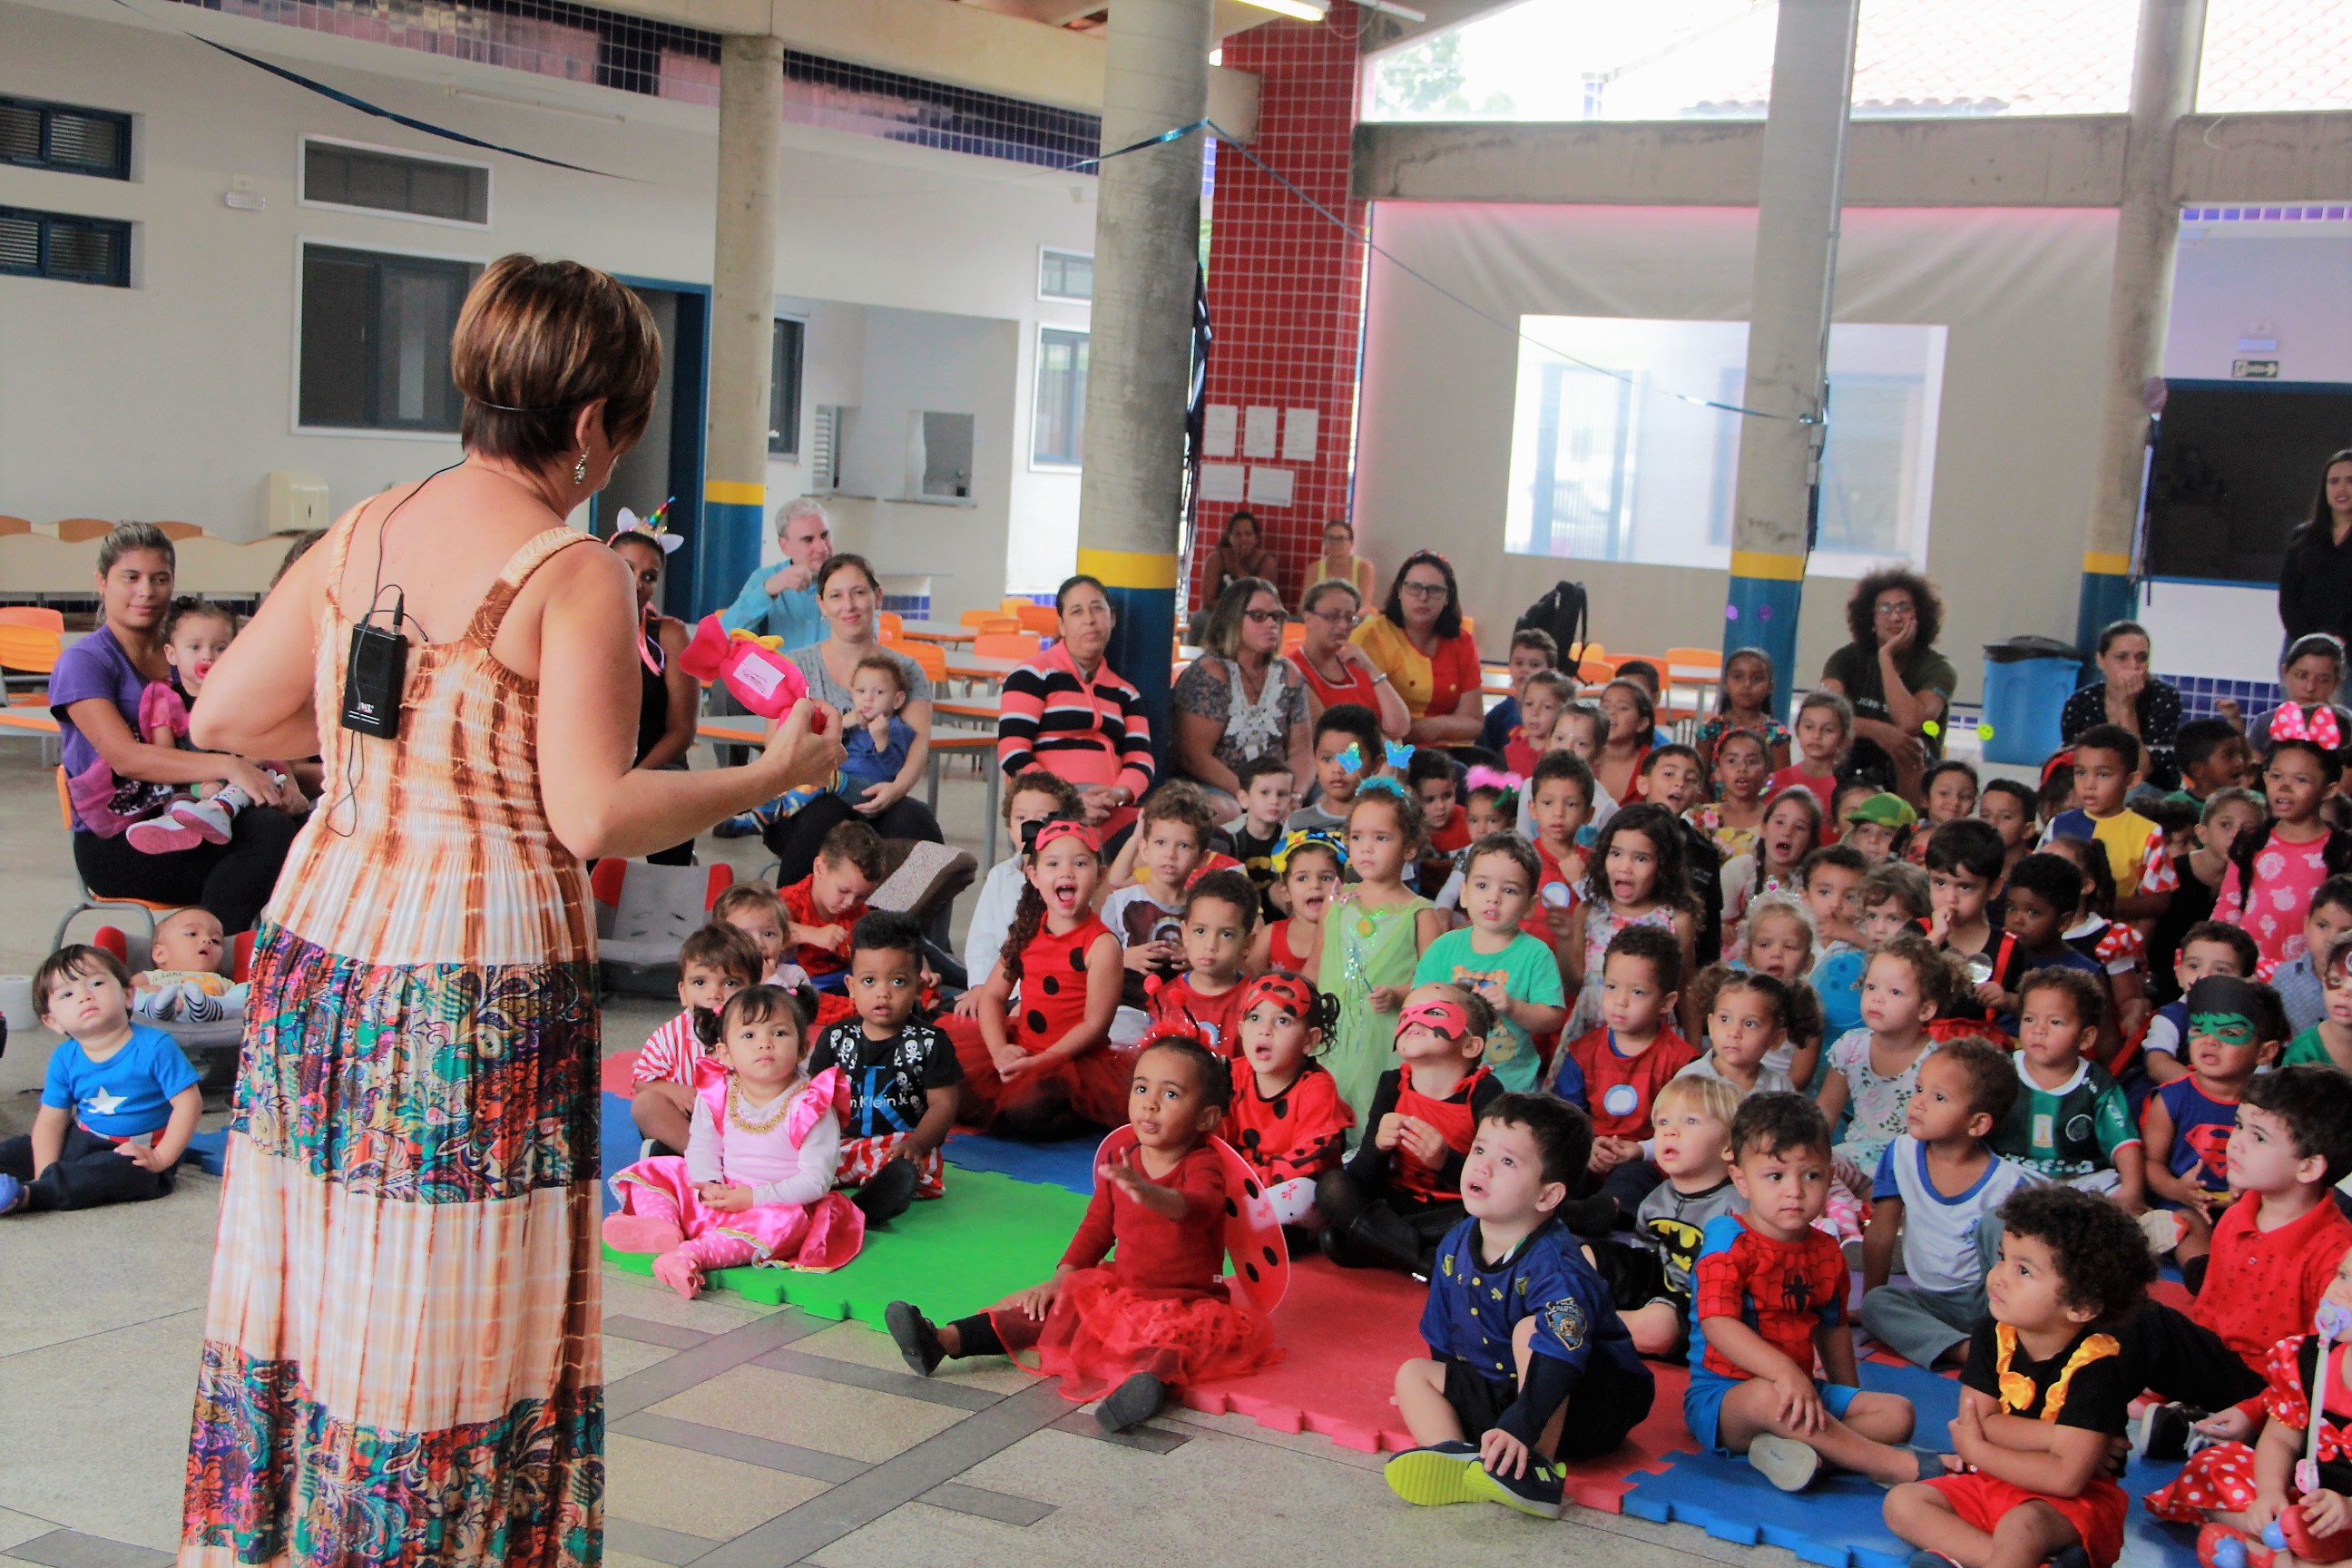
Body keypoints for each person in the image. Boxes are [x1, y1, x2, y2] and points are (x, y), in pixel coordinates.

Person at [179, 254, 848, 1565]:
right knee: (451, 1307)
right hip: (468, 968)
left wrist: (402, 747)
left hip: (327, 941)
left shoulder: (366, 523)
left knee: (315, 1265)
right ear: (594, 423)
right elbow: (592, 813)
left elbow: (223, 716)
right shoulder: (571, 571)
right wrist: (772, 773)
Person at [885, 1033, 1281, 1433]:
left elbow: (1197, 1208)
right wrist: (1063, 1277)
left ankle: (1141, 1394)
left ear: (1206, 1118)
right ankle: (945, 1339)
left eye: (1172, 1094)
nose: (1150, 1103)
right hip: (1122, 1291)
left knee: (1168, 1350)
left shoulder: (1203, 1163)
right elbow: (1097, 1227)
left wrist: (1148, 1192)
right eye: (1141, 1088)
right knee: (1042, 1313)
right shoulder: (1121, 1155)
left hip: (1186, 1306)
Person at [1384, 1094, 1657, 1521]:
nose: (1481, 1166)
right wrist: (1454, 1397)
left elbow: (1563, 1359)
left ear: (1548, 1195)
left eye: (1508, 1162)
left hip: (1590, 1396)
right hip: (1507, 1389)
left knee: (1535, 1332)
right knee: (1412, 1374)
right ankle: (1454, 1456)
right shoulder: (1456, 1243)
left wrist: (1521, 1425)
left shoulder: (1558, 1264)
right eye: (1478, 1149)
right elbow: (1443, 1336)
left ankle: (1534, 1468)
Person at [1880, 1186, 2155, 1568]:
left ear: (2080, 1306)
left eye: (2023, 1270)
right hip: (1991, 1481)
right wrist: (2060, 1437)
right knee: (1903, 1503)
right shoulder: (1991, 1334)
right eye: (2002, 1259)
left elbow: (2065, 1479)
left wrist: (1979, 1449)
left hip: (2065, 1506)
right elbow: (1975, 1418)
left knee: (2021, 1527)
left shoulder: (2097, 1368)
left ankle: (1974, 1559)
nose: (1998, 1278)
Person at [52, 524, 299, 933]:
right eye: (130, 578)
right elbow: (127, 758)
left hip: (201, 811)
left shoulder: (186, 657)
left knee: (309, 826)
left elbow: (240, 735)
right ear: (101, 582)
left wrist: (289, 778)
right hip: (123, 840)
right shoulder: (85, 663)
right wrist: (232, 768)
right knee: (269, 835)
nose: (146, 591)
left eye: (159, 578)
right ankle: (204, 967)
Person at [1687, 1093, 1927, 1492]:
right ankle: (1884, 1463)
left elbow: (1832, 1330)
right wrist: (1783, 1373)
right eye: (1775, 1176)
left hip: (1802, 1389)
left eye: (1810, 1175)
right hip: (1727, 1398)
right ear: (1741, 1180)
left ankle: (1801, 1457)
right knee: (1767, 1396)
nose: (1795, 1192)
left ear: (1831, 1177)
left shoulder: (1826, 1250)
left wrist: (1847, 1393)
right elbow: (1718, 1324)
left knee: (1898, 1413)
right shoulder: (1726, 1241)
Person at [604, 985, 861, 1296]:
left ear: (803, 1047)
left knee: (785, 1222)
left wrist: (752, 1199)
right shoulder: (719, 1092)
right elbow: (702, 1144)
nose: (765, 1044)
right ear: (725, 1053)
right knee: (661, 1168)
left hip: (777, 1204)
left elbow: (816, 1182)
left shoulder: (811, 1105)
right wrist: (707, 1181)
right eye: (749, 1036)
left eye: (779, 1034)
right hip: (722, 1194)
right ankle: (663, 1228)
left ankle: (692, 1255)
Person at [2142, 1242, 2352, 1558]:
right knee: (2212, 1466)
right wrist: (2270, 1494)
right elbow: (2281, 1439)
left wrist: (2348, 1508)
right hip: (2305, 1503)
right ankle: (2281, 1540)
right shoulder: (2310, 1360)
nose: (2342, 1293)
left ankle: (2272, 1557)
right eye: (2344, 1276)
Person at [762, 554, 942, 885]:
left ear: (877, 597)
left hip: (879, 793)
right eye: (836, 595)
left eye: (859, 592)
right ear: (821, 604)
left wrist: (896, 789)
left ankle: (904, 930)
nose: (849, 605)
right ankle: (793, 922)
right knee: (824, 819)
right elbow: (775, 746)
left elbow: (919, 745)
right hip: (812, 795)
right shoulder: (795, 666)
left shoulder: (907, 670)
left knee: (919, 825)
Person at [1857, 1040, 2034, 1370]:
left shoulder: (2007, 1183)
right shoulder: (1901, 1154)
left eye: (1938, 1097)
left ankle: (2010, 1338)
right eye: (1919, 1089)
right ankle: (1968, 1352)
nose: (1919, 1104)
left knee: (2000, 1221)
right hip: (1929, 1302)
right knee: (1878, 1304)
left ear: (1977, 1124)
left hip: (1991, 1299)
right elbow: (1881, 1233)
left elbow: (2031, 1264)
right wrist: (1870, 1304)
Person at [1316, 985, 1504, 1276]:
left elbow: (1495, 1184)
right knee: (1332, 1186)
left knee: (1489, 1225)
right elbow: (1363, 1178)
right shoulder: (1392, 1084)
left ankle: (1378, 1246)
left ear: (1471, 1046)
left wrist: (1445, 1161)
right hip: (1393, 1205)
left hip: (1455, 1212)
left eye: (1435, 1013)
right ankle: (1424, 1262)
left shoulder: (1485, 1092)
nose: (1416, 1020)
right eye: (1407, 1015)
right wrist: (1378, 1146)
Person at [957, 817, 1127, 1136]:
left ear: (1099, 875)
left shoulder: (1101, 946)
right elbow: (992, 997)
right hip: (1022, 1047)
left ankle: (1080, 1111)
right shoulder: (1026, 931)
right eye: (1053, 864)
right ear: (1033, 875)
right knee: (954, 1090)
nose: (1066, 872)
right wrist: (999, 1053)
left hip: (1072, 1061)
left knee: (1028, 1114)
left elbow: (1094, 1025)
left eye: (1080, 863)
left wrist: (1041, 1063)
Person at [0, 946, 201, 1217]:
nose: (84, 996)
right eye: (68, 994)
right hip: (80, 1140)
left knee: (106, 1175)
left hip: (137, 1153)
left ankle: (28, 1196)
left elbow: (189, 1104)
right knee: (18, 1148)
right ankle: (41, 1184)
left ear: (128, 995)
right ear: (52, 1021)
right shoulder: (65, 1057)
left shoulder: (156, 1047)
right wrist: (43, 1172)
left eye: (96, 983)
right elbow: (51, 1121)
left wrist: (161, 1158)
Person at [811, 913, 963, 1224]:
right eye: (870, 981)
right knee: (802, 1157)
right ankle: (814, 1189)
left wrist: (918, 1143)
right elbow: (813, 1098)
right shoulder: (835, 1037)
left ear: (920, 986)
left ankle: (878, 1198)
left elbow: (945, 1104)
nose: (883, 993)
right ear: (851, 987)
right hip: (841, 1145)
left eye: (898, 981)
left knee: (914, 1164)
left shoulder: (931, 1042)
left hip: (899, 1145)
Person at [1589, 1073, 1743, 1360]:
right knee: (1590, 1253)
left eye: (1690, 1121)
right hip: (1657, 1284)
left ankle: (1580, 1326)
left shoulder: (1738, 1205)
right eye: (1662, 1123)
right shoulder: (1655, 1199)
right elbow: (1640, 1258)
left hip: (1699, 1306)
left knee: (1658, 1327)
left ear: (1729, 1146)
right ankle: (1571, 1311)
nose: (1670, 1132)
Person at [997, 574, 1155, 847]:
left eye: (1097, 608)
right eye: (1076, 611)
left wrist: (1117, 794)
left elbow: (1141, 760)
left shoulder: (1126, 693)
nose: (1089, 619)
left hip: (1110, 806)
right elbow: (1012, 751)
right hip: (1046, 810)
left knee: (1173, 843)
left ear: (1112, 618)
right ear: (1061, 624)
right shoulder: (1031, 676)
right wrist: (1067, 799)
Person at [2143, 976, 2287, 1273]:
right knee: (2184, 1226)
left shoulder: (2271, 1105)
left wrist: (2254, 1193)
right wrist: (2178, 1189)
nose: (2210, 1041)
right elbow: (2151, 1164)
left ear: (2265, 1052)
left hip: (2249, 1203)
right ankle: (2203, 1272)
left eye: (2229, 1032)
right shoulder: (2172, 1098)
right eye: (2199, 1029)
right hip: (2189, 1203)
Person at [1321, 786, 1444, 1132]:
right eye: (1357, 837)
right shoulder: (1337, 901)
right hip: (1333, 1033)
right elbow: (1317, 963)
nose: (1367, 848)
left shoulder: (1419, 913)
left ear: (1409, 847)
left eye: (1381, 837)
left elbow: (1434, 985)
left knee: (1375, 1110)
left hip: (1385, 1036)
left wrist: (1400, 993)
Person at [1554, 925, 1697, 1218]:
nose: (1620, 1000)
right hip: (1591, 1151)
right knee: (1561, 1165)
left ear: (1666, 1003)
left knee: (1634, 1178)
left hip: (1645, 1158)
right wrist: (1589, 1146)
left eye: (1638, 992)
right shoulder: (1583, 1052)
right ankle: (1561, 1210)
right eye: (1611, 986)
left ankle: (1606, 1212)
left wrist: (1638, 1150)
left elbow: (1687, 1131)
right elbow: (1565, 1116)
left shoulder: (1681, 1061)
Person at [1416, 834, 1569, 1094]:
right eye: (1482, 886)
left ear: (1530, 906)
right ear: (1463, 893)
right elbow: (1418, 1003)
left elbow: (1553, 1017)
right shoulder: (1444, 947)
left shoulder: (1536, 954)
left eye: (1509, 890)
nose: (1494, 898)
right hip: (1448, 1081)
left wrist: (1513, 1007)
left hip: (1511, 1086)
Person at [1992, 969, 2142, 1204]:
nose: (2039, 1029)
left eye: (2055, 1022)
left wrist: (2132, 1189)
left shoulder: (2096, 1084)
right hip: (2014, 1175)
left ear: (2086, 1038)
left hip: (2081, 1180)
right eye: (2029, 1019)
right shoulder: (2001, 1071)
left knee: (2110, 1193)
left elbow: (2124, 1143)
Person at [1171, 576, 1311, 816]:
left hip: (1277, 790)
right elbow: (1193, 756)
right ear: (1232, 620)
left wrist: (1293, 795)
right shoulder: (1211, 673)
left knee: (1331, 802)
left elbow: (1302, 751)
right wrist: (1252, 796)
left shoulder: (1288, 674)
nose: (1271, 624)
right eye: (1258, 616)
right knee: (1229, 810)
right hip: (1220, 786)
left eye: (1277, 616)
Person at [1224, 972, 1354, 1225]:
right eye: (1254, 1018)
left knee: (1303, 1194)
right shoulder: (1231, 1075)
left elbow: (1308, 1160)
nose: (1265, 1030)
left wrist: (1248, 1183)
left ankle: (1244, 1227)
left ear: (1309, 1040)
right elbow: (1217, 1138)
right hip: (1239, 1186)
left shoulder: (1316, 1086)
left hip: (1288, 1192)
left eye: (1282, 1021)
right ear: (1241, 1029)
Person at [1818, 567, 1956, 801]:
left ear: (1920, 616)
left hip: (1912, 770)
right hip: (1855, 763)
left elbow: (1909, 723)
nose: (1894, 617)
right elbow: (1825, 716)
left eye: (1904, 608)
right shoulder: (1846, 659)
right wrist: (1878, 731)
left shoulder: (1938, 669)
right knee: (1834, 742)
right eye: (1885, 608)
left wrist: (1886, 659)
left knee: (1911, 747)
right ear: (1870, 618)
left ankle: (1905, 825)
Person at [2219, 736, 2352, 977]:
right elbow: (2228, 908)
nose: (2284, 787)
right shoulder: (2251, 842)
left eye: (2301, 779)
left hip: (2316, 978)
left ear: (2329, 789)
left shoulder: (2343, 850)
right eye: (2276, 776)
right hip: (2250, 976)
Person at [1818, 934, 1954, 1171]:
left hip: (1907, 1163)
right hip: (1854, 1157)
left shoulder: (1935, 1061)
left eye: (1895, 992)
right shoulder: (1850, 1047)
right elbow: (1827, 1110)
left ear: (1925, 1009)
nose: (1877, 998)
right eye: (1871, 987)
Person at [632, 923, 765, 1153]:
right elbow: (642, 1082)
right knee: (645, 1105)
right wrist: (672, 1091)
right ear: (683, 992)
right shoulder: (669, 1036)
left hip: (745, 1126)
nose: (714, 994)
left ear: (752, 990)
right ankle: (697, 1155)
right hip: (689, 1126)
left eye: (730, 983)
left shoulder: (759, 1032)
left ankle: (738, 1158)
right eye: (700, 982)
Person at [610, 519, 698, 864]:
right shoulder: (576, 628)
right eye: (625, 568)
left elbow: (682, 731)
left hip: (656, 768)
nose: (636, 583)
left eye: (649, 576)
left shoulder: (670, 636)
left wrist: (636, 778)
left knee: (672, 798)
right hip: (592, 769)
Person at [959, 770, 1083, 1002]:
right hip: (1000, 989)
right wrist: (979, 986)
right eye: (1021, 818)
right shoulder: (1001, 876)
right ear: (1009, 827)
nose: (1031, 825)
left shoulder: (1071, 877)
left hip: (1054, 992)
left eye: (1043, 817)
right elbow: (983, 940)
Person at [1351, 551, 1485, 748]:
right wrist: (1445, 724)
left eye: (1434, 590)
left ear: (1447, 597)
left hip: (1448, 755)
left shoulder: (1462, 641)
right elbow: (1365, 720)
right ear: (1398, 592)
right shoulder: (1370, 636)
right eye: (1414, 587)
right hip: (1385, 751)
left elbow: (1473, 723)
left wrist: (1428, 727)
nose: (1423, 597)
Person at [2062, 620, 2183, 791]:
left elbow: (2139, 771)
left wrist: (2127, 708)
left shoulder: (2164, 697)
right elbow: (2073, 764)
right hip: (2094, 784)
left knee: (2125, 793)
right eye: (2122, 657)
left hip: (2151, 788)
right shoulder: (2081, 702)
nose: (2134, 666)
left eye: (2141, 658)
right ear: (2101, 660)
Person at [1150, 869, 1258, 1055]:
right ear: (1185, 933)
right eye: (1200, 931)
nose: (1210, 945)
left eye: (1226, 934)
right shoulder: (1165, 997)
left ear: (1247, 944)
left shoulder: (1255, 1001)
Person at [1290, 579, 1410, 741]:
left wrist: (1370, 667)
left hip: (1382, 759)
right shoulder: (1293, 670)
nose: (1343, 626)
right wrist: (1388, 747)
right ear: (1308, 618)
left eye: (1350, 618)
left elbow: (1399, 727)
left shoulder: (1357, 663)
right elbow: (1327, 736)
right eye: (1332, 616)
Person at [720, 494, 833, 648]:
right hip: (780, 671)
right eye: (808, 540)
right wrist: (767, 591)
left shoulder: (849, 579)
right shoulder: (766, 578)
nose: (822, 548)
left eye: (825, 536)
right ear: (784, 546)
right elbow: (724, 634)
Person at [782, 818, 884, 983]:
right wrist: (811, 934)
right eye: (843, 891)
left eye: (861, 896)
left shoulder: (858, 911)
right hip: (803, 988)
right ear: (820, 868)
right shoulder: (789, 901)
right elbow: (758, 935)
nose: (850, 902)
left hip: (845, 982)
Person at [2276, 447, 2352, 648]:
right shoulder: (2304, 537)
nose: (2341, 489)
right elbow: (2289, 599)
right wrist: (2312, 643)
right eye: (2334, 481)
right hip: (2302, 648)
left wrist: (2341, 643)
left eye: (2350, 481)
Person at [1250, 829, 1343, 981]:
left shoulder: (1349, 933)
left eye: (1326, 878)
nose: (1315, 885)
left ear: (1342, 886)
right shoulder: (1270, 935)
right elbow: (1247, 981)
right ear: (1286, 892)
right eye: (1302, 878)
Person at [129, 906, 249, 1023]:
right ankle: (156, 1008)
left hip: (211, 1020)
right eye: (192, 934)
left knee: (246, 991)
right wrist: (148, 990)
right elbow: (124, 992)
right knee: (131, 995)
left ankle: (212, 1009)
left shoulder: (221, 981)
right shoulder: (152, 976)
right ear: (161, 953)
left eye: (216, 940)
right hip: (163, 1016)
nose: (207, 940)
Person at [2245, 633, 2352, 760]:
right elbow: (2254, 772)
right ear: (2285, 673)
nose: (2310, 687)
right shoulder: (2265, 723)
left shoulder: (2347, 723)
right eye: (2301, 676)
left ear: (2336, 683)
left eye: (2323, 680)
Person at [1695, 647, 1793, 774]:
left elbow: (1782, 786)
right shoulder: (1710, 730)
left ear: (1770, 686)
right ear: (1725, 683)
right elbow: (1698, 783)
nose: (1747, 684)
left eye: (1757, 679)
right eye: (1738, 677)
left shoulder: (1776, 736)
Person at [1289, 702, 1383, 834]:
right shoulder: (1298, 823)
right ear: (1315, 759)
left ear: (1377, 764)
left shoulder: (1384, 821)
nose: (1337, 769)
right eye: (1327, 759)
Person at [1769, 690, 1854, 828]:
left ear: (1843, 738)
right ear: (1797, 730)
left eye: (1828, 730)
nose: (1816, 735)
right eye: (1809, 727)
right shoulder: (1775, 781)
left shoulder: (1846, 791)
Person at [1476, 629, 1563, 756]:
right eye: (1518, 663)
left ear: (1552, 672)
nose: (1525, 669)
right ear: (1509, 666)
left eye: (1534, 665)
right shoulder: (1499, 715)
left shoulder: (1562, 714)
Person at [1202, 507, 1280, 607]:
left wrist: (1239, 566)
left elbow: (1259, 599)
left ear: (1256, 538)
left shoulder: (1267, 562)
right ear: (1229, 537)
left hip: (1254, 614)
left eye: (1248, 534)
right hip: (1221, 612)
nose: (1243, 539)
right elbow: (1207, 600)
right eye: (1237, 535)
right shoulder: (1217, 559)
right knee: (1199, 618)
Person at [1307, 515, 1377, 603]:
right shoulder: (1313, 569)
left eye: (1341, 539)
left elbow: (1365, 607)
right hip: (1321, 616)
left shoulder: (1364, 567)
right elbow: (1304, 606)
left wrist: (1339, 616)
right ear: (1324, 542)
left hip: (1354, 616)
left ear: (1351, 543)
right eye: (1330, 538)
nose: (1335, 543)